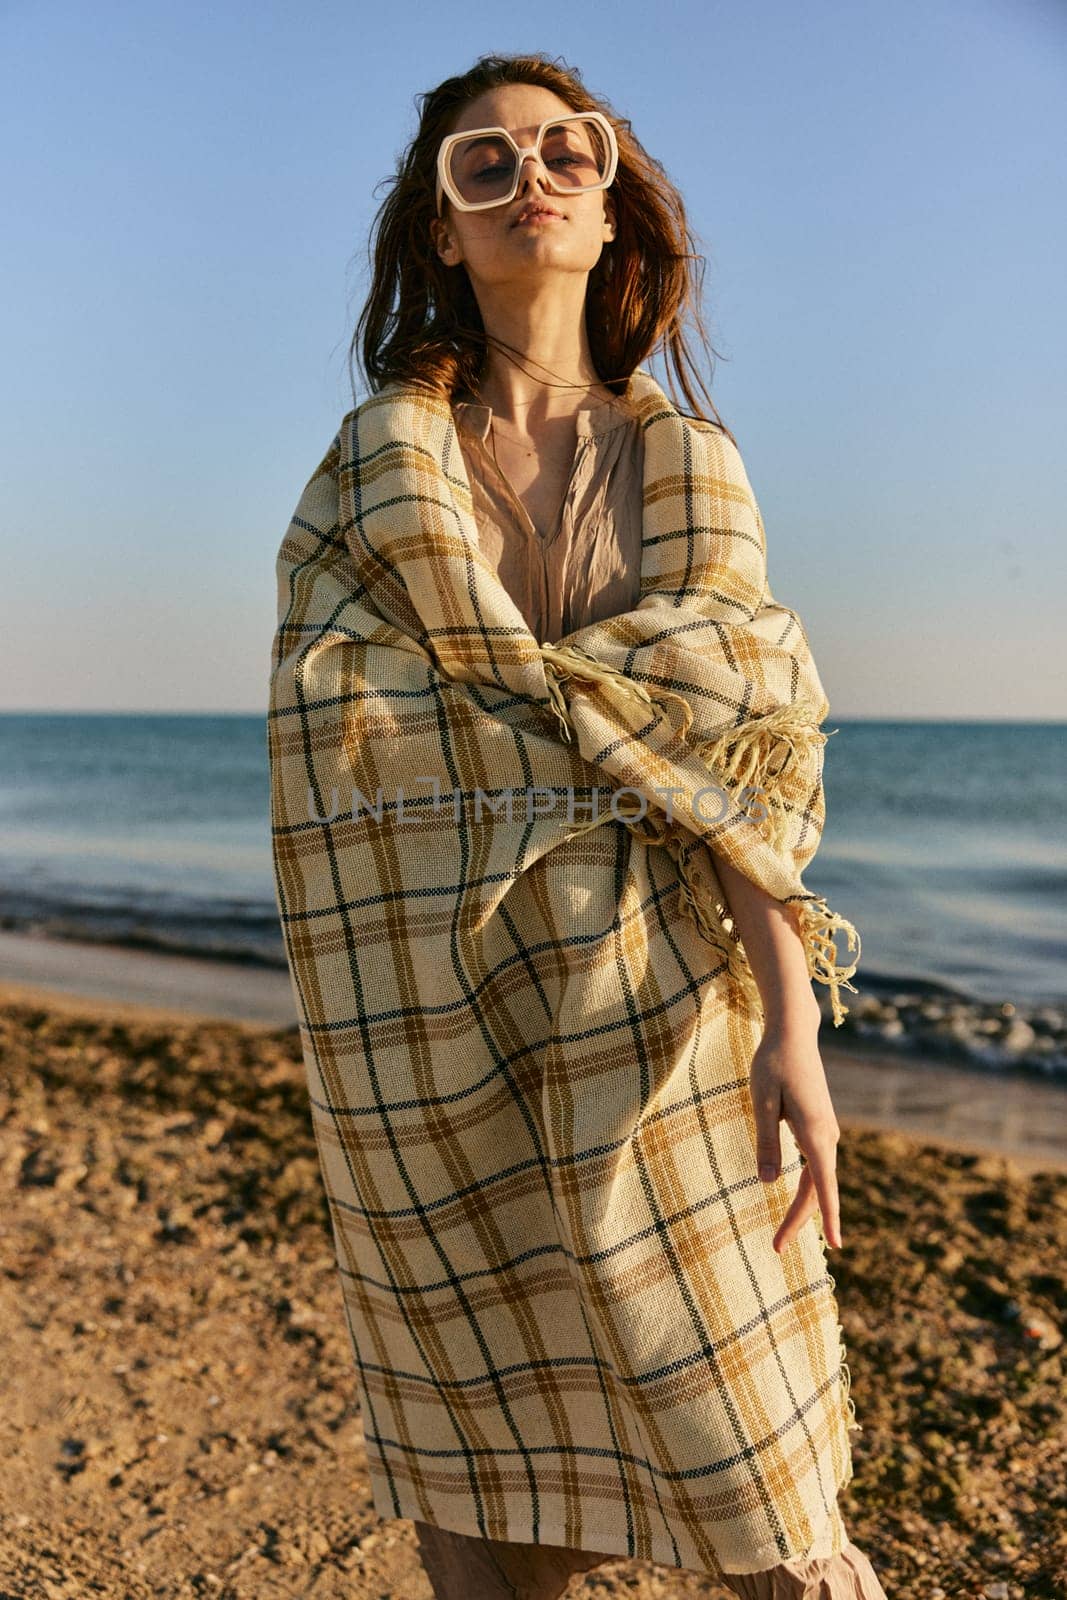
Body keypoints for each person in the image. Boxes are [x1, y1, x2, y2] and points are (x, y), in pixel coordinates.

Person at [269, 50, 888, 1600]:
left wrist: (792, 1031)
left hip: (664, 1003)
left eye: (565, 152)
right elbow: (338, 744)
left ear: (613, 208)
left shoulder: (684, 457)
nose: (530, 179)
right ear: (443, 232)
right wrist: (595, 730)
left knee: (766, 1490)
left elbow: (741, 748)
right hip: (429, 1023)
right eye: (485, 167)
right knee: (490, 1503)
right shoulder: (373, 470)